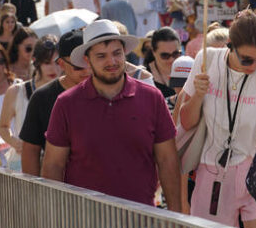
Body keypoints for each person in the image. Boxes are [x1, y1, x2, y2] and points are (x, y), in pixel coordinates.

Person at [41, 20, 181, 210]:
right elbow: (53, 166)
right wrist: (56, 219)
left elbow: (168, 161)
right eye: (101, 56)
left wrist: (176, 217)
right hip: (83, 224)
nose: (112, 62)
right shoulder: (66, 103)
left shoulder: (152, 98)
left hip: (142, 222)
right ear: (87, 61)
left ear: (125, 53)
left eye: (117, 53)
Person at [179, 9, 256, 228]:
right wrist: (197, 94)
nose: (253, 66)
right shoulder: (207, 60)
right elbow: (186, 123)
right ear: (229, 45)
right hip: (212, 169)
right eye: (246, 59)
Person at [19, 31, 90, 176]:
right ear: (62, 64)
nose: (87, 70)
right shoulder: (42, 97)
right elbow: (31, 150)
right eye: (78, 66)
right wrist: (35, 191)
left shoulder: (104, 91)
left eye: (90, 62)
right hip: (59, 188)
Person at [0, 35, 60, 171]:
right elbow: (3, 127)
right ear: (35, 61)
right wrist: (16, 143)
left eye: (57, 62)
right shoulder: (16, 91)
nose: (53, 69)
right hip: (21, 162)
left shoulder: (68, 91)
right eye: (47, 63)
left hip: (56, 164)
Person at [146, 27, 182, 99]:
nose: (171, 59)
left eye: (175, 54)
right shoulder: (144, 77)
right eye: (165, 55)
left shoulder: (188, 68)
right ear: (153, 52)